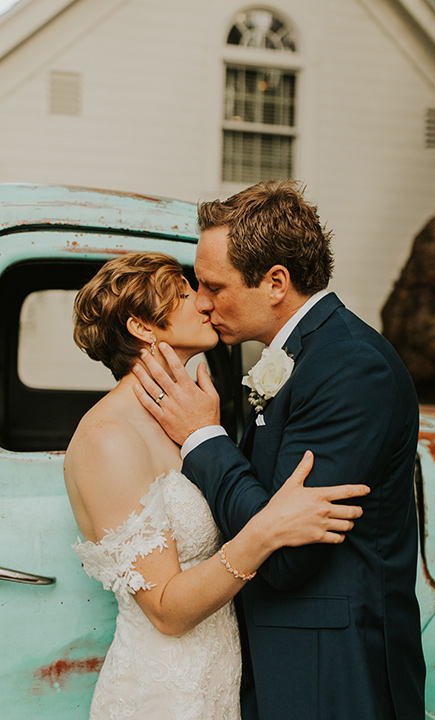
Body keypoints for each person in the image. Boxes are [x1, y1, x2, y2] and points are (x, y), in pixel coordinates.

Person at [132, 181, 426, 720]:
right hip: (285, 662)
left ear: (275, 282)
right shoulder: (305, 353)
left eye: (213, 286)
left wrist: (203, 437)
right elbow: (272, 505)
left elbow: (288, 557)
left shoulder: (350, 367)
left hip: (331, 672)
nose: (200, 302)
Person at [63, 251, 369, 720]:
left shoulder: (183, 417)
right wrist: (267, 530)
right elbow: (165, 610)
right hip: (165, 692)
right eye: (185, 295)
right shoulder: (110, 437)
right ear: (143, 328)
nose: (204, 304)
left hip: (221, 679)